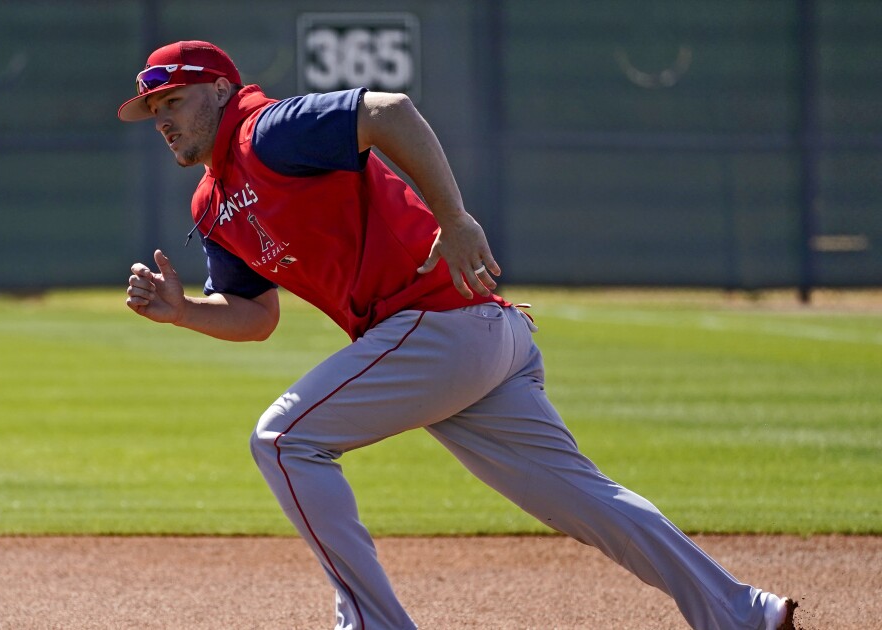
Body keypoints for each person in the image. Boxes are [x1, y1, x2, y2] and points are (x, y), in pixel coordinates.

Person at [118, 40, 797, 630]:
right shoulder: (210, 203)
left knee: (284, 439)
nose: (163, 121)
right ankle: (743, 612)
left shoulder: (268, 130)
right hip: (468, 342)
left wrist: (456, 217)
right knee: (588, 501)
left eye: (173, 102)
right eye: (155, 112)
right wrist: (184, 312)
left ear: (219, 88)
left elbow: (388, 111)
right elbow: (254, 315)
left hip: (438, 324)